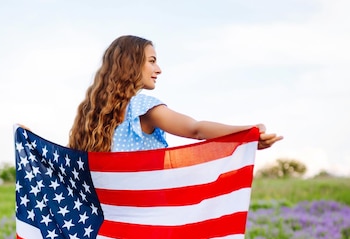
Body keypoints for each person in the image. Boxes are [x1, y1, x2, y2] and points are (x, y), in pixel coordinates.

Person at [68, 35, 283, 153]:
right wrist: (248, 132)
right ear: (130, 65)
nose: (159, 69)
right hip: (142, 216)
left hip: (109, 220)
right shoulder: (142, 107)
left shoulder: (92, 116)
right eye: (152, 61)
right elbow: (195, 129)